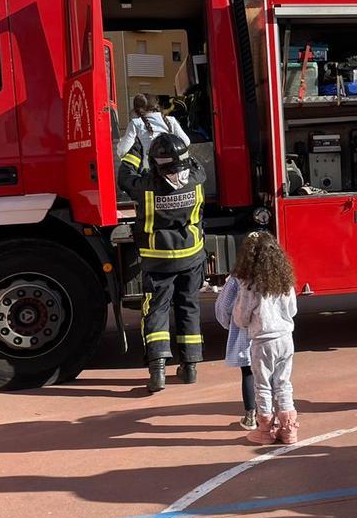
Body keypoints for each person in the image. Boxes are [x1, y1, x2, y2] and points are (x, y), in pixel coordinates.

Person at [118, 134, 207, 393]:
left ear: (156, 163)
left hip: (158, 260)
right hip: (191, 253)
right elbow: (195, 162)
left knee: (156, 311)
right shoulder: (196, 178)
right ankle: (190, 368)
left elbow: (124, 174)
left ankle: (157, 372)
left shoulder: (145, 185)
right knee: (188, 307)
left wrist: (137, 148)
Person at [232, 232, 299, 444]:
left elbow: (242, 317)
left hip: (262, 340)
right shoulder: (285, 280)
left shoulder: (249, 285)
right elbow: (292, 310)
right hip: (285, 337)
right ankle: (288, 429)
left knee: (262, 385)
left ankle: (265, 429)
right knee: (283, 382)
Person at [215, 232, 264, 430]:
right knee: (273, 376)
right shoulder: (280, 276)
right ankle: (274, 415)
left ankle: (250, 415)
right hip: (274, 334)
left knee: (249, 373)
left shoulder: (238, 278)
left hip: (246, 334)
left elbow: (223, 305)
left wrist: (229, 324)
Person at [116, 93, 191, 162]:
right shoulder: (171, 120)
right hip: (173, 169)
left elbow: (123, 150)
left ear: (139, 110)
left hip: (150, 171)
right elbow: (186, 142)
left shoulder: (136, 123)